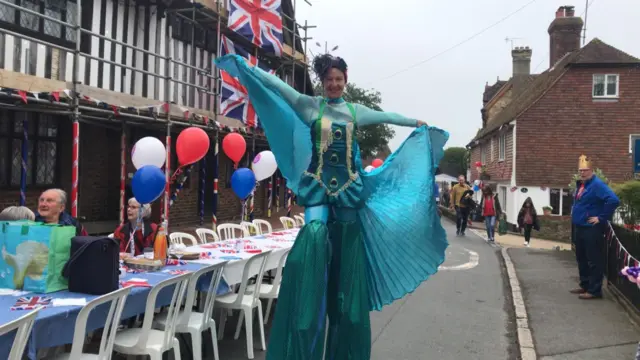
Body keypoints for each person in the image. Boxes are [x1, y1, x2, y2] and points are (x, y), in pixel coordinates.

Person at [216, 53, 448, 360]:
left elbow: (386, 116)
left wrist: (414, 122)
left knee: (348, 277)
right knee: (311, 244)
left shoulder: (355, 111)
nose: (334, 84)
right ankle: (302, 342)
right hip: (318, 192)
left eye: (339, 79)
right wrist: (248, 69)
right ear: (323, 83)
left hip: (349, 194)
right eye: (329, 80)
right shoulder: (310, 106)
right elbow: (277, 88)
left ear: (345, 81)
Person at [571, 154, 619, 300]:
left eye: (585, 170)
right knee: (582, 258)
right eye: (580, 170)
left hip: (591, 228)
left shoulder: (597, 185)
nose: (582, 173)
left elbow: (613, 200)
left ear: (592, 170)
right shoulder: (582, 185)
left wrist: (601, 218)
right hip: (579, 226)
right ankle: (585, 285)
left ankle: (594, 290)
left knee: (593, 259)